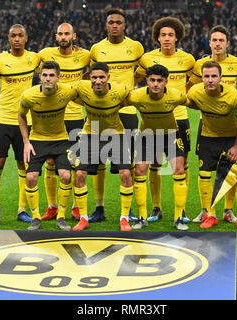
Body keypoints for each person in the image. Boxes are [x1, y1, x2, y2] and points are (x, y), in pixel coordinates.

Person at [0, 24, 40, 224]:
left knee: (25, 164)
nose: (17, 39)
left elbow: (52, 71)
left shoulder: (34, 59)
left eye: (20, 35)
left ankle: (22, 209)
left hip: (26, 121)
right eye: (13, 36)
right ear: (8, 38)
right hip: (2, 119)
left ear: (26, 37)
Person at [134, 16, 195, 223]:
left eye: (170, 35)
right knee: (154, 164)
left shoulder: (188, 60)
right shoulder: (147, 59)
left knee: (181, 165)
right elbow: (136, 77)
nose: (167, 38)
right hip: (152, 118)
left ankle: (182, 210)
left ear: (177, 37)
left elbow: (194, 81)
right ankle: (156, 208)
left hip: (179, 119)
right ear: (157, 38)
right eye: (163, 35)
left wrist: (181, 95)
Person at [186, 25, 237, 224]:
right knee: (205, 170)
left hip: (232, 122)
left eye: (221, 40)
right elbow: (191, 91)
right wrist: (207, 107)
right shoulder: (199, 65)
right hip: (208, 124)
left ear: (227, 43)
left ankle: (229, 210)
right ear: (210, 42)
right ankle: (206, 210)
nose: (218, 43)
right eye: (214, 40)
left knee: (232, 170)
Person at [88, 8, 144, 223]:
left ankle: (127, 210)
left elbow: (142, 72)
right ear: (106, 25)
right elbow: (92, 76)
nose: (114, 25)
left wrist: (127, 90)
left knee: (126, 163)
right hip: (100, 112)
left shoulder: (135, 47)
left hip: (127, 112)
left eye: (118, 22)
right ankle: (99, 208)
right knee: (99, 162)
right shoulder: (96, 49)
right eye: (110, 22)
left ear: (124, 25)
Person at [71, 62, 133, 232]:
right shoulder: (82, 88)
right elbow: (63, 93)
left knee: (126, 174)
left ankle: (124, 219)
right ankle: (83, 219)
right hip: (91, 133)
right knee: (80, 174)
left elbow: (135, 99)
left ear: (108, 78)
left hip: (115, 134)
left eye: (101, 77)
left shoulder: (120, 90)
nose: (97, 81)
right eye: (94, 77)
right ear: (89, 78)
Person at [37, 23, 90, 222]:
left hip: (75, 117)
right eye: (60, 33)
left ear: (74, 36)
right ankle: (52, 206)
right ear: (55, 36)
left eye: (67, 33)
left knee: (76, 164)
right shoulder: (44, 54)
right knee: (50, 163)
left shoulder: (84, 56)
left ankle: (76, 207)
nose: (63, 36)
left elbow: (92, 74)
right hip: (52, 117)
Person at [127, 64, 189, 230]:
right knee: (139, 171)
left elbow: (192, 103)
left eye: (159, 81)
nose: (155, 84)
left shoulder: (176, 95)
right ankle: (142, 217)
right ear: (146, 81)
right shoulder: (136, 96)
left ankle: (179, 218)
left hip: (171, 135)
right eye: (152, 80)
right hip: (147, 136)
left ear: (166, 82)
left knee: (179, 170)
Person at [18, 61, 77, 231]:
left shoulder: (67, 91)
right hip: (37, 140)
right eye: (45, 75)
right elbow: (20, 115)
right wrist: (26, 142)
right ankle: (36, 218)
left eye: (52, 75)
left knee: (66, 176)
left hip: (61, 139)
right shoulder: (29, 96)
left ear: (59, 77)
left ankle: (61, 217)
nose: (48, 79)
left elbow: (85, 98)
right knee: (30, 178)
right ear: (40, 77)